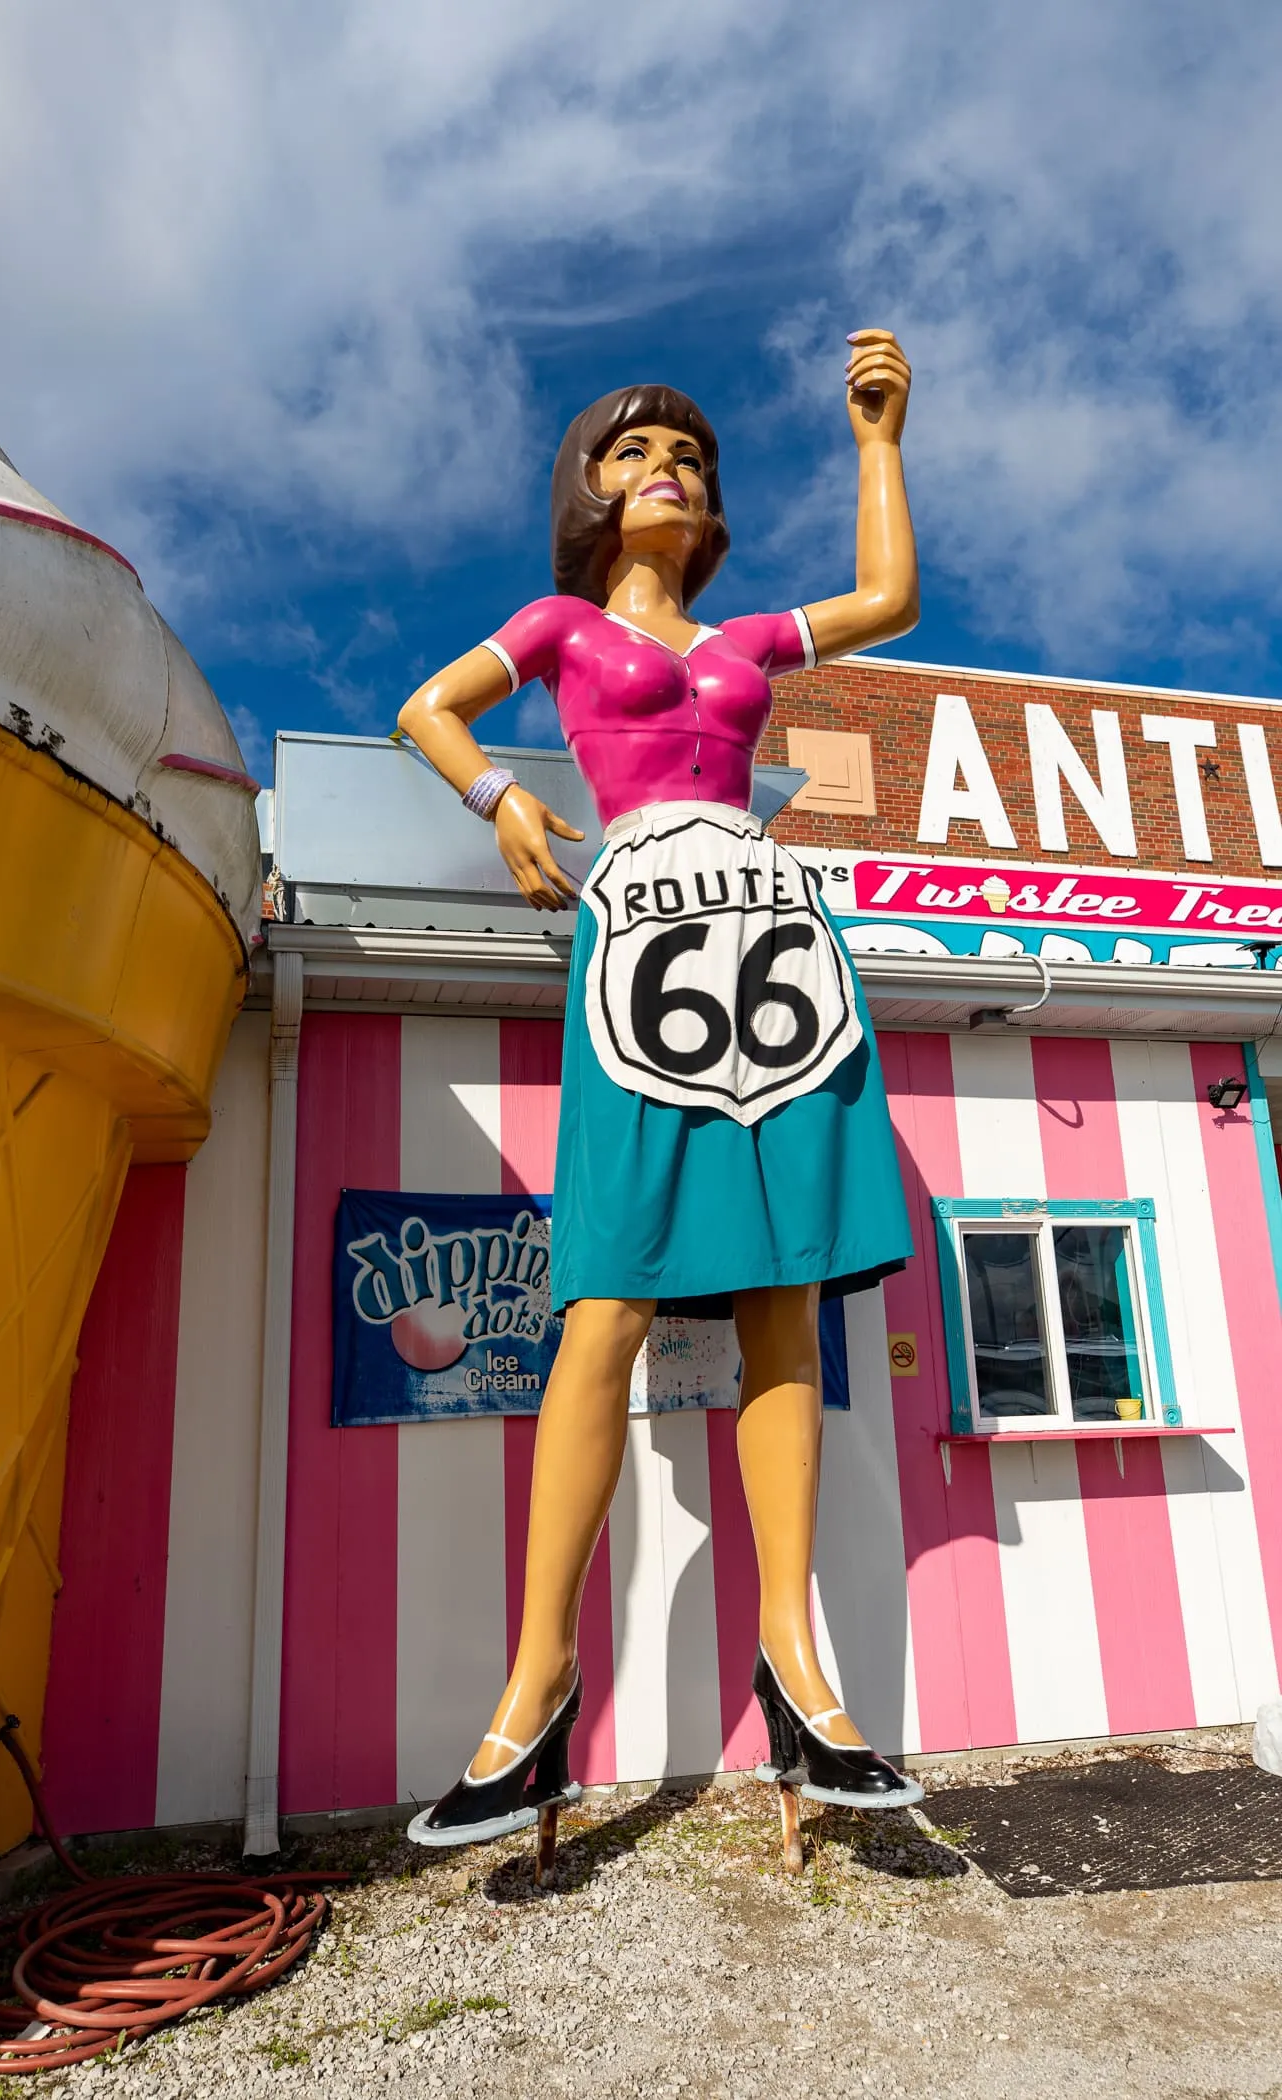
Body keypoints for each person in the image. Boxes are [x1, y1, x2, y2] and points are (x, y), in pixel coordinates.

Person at [399, 331, 920, 1847]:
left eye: (688, 454)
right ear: (586, 490)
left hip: (771, 934)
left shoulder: (749, 640)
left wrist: (878, 438)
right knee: (606, 1298)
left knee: (784, 1298)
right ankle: (536, 1681)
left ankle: (801, 1670)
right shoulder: (559, 622)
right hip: (636, 930)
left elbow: (886, 602)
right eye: (633, 453)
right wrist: (504, 799)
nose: (668, 469)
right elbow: (429, 712)